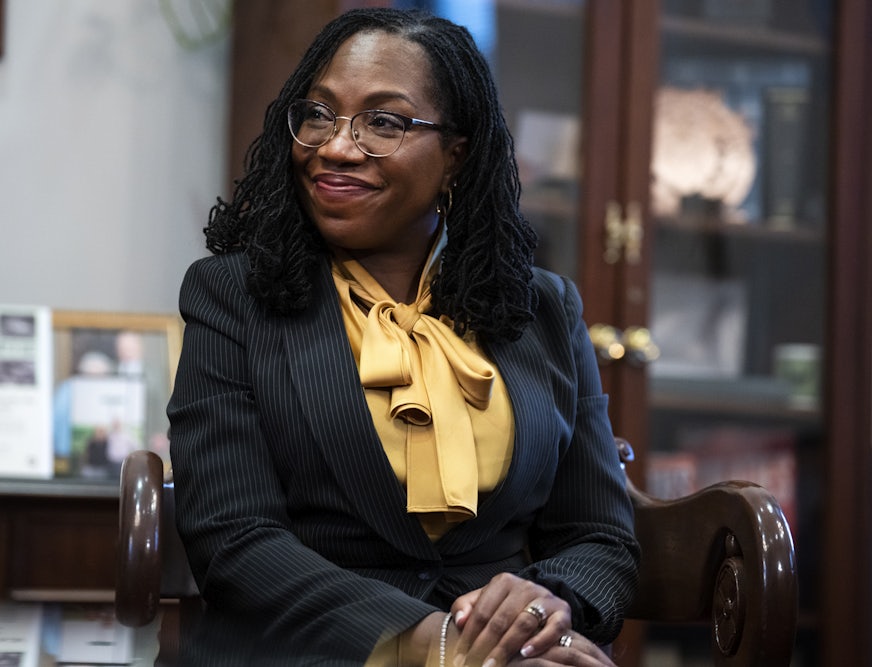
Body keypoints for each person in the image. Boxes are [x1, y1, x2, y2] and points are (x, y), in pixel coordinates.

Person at [167, 8, 639, 666]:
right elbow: (236, 540)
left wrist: (534, 611)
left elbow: (600, 539)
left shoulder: (544, 310)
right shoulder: (232, 298)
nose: (335, 146)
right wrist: (434, 643)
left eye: (384, 122)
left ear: (456, 154)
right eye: (319, 114)